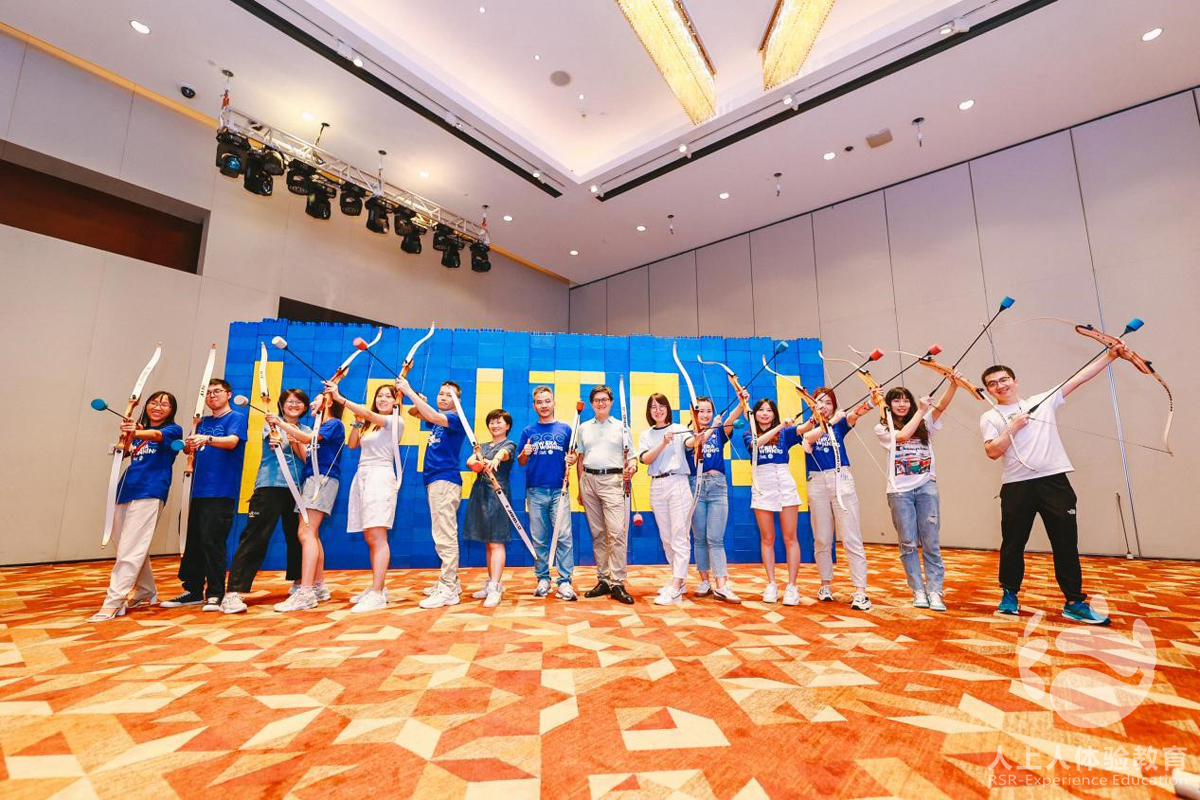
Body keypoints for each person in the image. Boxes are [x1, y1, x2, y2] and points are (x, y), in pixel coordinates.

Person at [980, 348, 1124, 625]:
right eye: (993, 383)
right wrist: (1013, 427)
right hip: (1016, 486)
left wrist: (1111, 356)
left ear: (1015, 381)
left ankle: (1074, 602)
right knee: (1013, 543)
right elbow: (992, 452)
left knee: (1065, 543)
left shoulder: (1042, 401)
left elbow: (1080, 377)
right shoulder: (990, 417)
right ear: (988, 390)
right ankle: (1009, 595)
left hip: (1054, 482)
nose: (1000, 385)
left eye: (1004, 379)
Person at [89, 391, 182, 621]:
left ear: (171, 411)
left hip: (150, 492)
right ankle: (146, 590)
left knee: (131, 548)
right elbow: (123, 452)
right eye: (154, 402)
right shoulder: (138, 431)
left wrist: (135, 431)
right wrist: (126, 438)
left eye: (165, 404)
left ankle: (113, 602)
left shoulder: (173, 430)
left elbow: (156, 435)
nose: (158, 407)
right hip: (125, 490)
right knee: (126, 546)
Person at [874, 377, 963, 612]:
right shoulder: (883, 427)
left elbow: (941, 406)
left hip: (926, 487)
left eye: (906, 400)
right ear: (889, 405)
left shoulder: (924, 422)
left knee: (931, 542)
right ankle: (918, 590)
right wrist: (921, 411)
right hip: (899, 491)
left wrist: (953, 384)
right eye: (896, 400)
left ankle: (935, 591)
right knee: (908, 543)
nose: (902, 404)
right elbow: (902, 437)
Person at [219, 389, 312, 613]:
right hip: (269, 486)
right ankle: (233, 593)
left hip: (296, 489)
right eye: (289, 401)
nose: (294, 405)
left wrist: (294, 439)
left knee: (297, 538)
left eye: (299, 402)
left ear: (305, 407)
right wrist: (276, 433)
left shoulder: (307, 430)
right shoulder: (270, 424)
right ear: (281, 404)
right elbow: (273, 440)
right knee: (255, 537)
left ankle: (299, 583)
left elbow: (306, 458)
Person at [164, 379, 247, 609]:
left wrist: (207, 438)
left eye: (217, 391)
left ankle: (215, 592)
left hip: (219, 491)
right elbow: (188, 450)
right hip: (194, 490)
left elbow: (232, 442)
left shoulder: (236, 418)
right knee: (192, 541)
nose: (212, 395)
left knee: (212, 542)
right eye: (208, 393)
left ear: (228, 394)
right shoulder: (201, 421)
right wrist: (188, 444)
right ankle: (192, 590)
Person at [328, 382, 403, 613]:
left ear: (396, 401)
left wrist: (340, 399)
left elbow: (369, 414)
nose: (382, 399)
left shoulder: (395, 421)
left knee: (378, 535)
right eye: (379, 396)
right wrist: (358, 421)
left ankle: (378, 593)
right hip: (363, 475)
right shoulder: (370, 424)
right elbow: (352, 444)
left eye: (388, 396)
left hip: (380, 476)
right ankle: (377, 586)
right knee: (370, 535)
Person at [396, 377, 468, 610]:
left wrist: (409, 391)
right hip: (435, 481)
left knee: (445, 535)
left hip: (445, 481)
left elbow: (433, 416)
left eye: (449, 395)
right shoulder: (438, 420)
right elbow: (415, 412)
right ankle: (451, 582)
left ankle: (448, 588)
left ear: (458, 401)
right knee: (442, 533)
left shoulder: (455, 418)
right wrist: (420, 401)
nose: (443, 397)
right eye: (441, 393)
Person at [799, 387, 874, 611]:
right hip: (817, 482)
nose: (824, 406)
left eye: (828, 403)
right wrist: (829, 422)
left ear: (834, 406)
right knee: (822, 538)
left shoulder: (841, 423)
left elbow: (856, 413)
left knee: (851, 536)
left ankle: (860, 591)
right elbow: (808, 439)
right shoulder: (809, 427)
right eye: (819, 402)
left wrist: (871, 401)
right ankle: (825, 585)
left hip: (841, 479)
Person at [275, 392, 346, 612]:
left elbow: (308, 440)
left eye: (317, 399)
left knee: (305, 533)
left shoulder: (333, 424)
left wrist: (282, 423)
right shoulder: (319, 428)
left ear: (329, 402)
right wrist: (295, 441)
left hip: (321, 479)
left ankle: (305, 592)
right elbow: (308, 456)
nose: (313, 403)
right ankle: (318, 586)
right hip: (313, 478)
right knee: (311, 534)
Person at [575, 385, 637, 605]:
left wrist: (632, 467)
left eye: (604, 399)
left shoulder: (622, 427)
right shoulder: (583, 428)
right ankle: (603, 579)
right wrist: (580, 487)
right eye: (597, 400)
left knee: (617, 533)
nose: (601, 403)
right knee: (598, 533)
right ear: (592, 404)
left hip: (613, 481)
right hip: (588, 481)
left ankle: (617, 582)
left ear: (611, 402)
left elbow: (632, 457)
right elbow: (580, 458)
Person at [516, 386, 576, 599]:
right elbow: (521, 461)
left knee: (564, 537)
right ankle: (543, 578)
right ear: (534, 405)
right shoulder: (528, 431)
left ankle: (565, 581)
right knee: (539, 539)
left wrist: (572, 459)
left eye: (547, 401)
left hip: (560, 491)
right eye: (539, 402)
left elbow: (573, 455)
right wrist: (525, 453)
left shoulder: (565, 429)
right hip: (535, 491)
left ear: (553, 403)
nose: (544, 405)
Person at [686, 392, 747, 603]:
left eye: (708, 411)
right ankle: (704, 581)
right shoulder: (688, 435)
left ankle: (721, 585)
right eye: (700, 411)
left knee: (715, 538)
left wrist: (741, 403)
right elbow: (695, 446)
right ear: (693, 413)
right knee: (699, 538)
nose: (704, 414)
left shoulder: (719, 431)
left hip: (718, 486)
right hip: (696, 486)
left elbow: (731, 419)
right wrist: (710, 429)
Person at [743, 398, 804, 605]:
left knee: (790, 538)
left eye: (769, 410)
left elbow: (805, 428)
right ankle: (771, 584)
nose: (765, 413)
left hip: (785, 482)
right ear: (754, 414)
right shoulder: (749, 434)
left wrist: (816, 416)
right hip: (762, 485)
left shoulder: (786, 433)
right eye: (761, 410)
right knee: (767, 538)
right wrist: (780, 426)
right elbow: (756, 445)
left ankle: (792, 586)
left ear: (774, 414)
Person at [639, 394, 697, 606]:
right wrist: (664, 442)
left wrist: (699, 433)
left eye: (662, 405)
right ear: (649, 411)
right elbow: (645, 459)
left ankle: (676, 585)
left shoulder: (679, 428)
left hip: (678, 483)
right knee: (667, 538)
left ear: (668, 408)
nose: (658, 410)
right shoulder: (646, 434)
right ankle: (678, 581)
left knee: (680, 536)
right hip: (657, 485)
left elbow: (692, 442)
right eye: (653, 407)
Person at [464, 409, 518, 608]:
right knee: (488, 542)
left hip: (497, 494)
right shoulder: (483, 447)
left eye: (499, 422)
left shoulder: (509, 444)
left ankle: (495, 587)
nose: (495, 425)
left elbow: (504, 455)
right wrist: (477, 462)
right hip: (480, 493)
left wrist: (495, 459)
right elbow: (472, 463)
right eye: (492, 422)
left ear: (507, 426)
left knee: (496, 542)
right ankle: (491, 583)